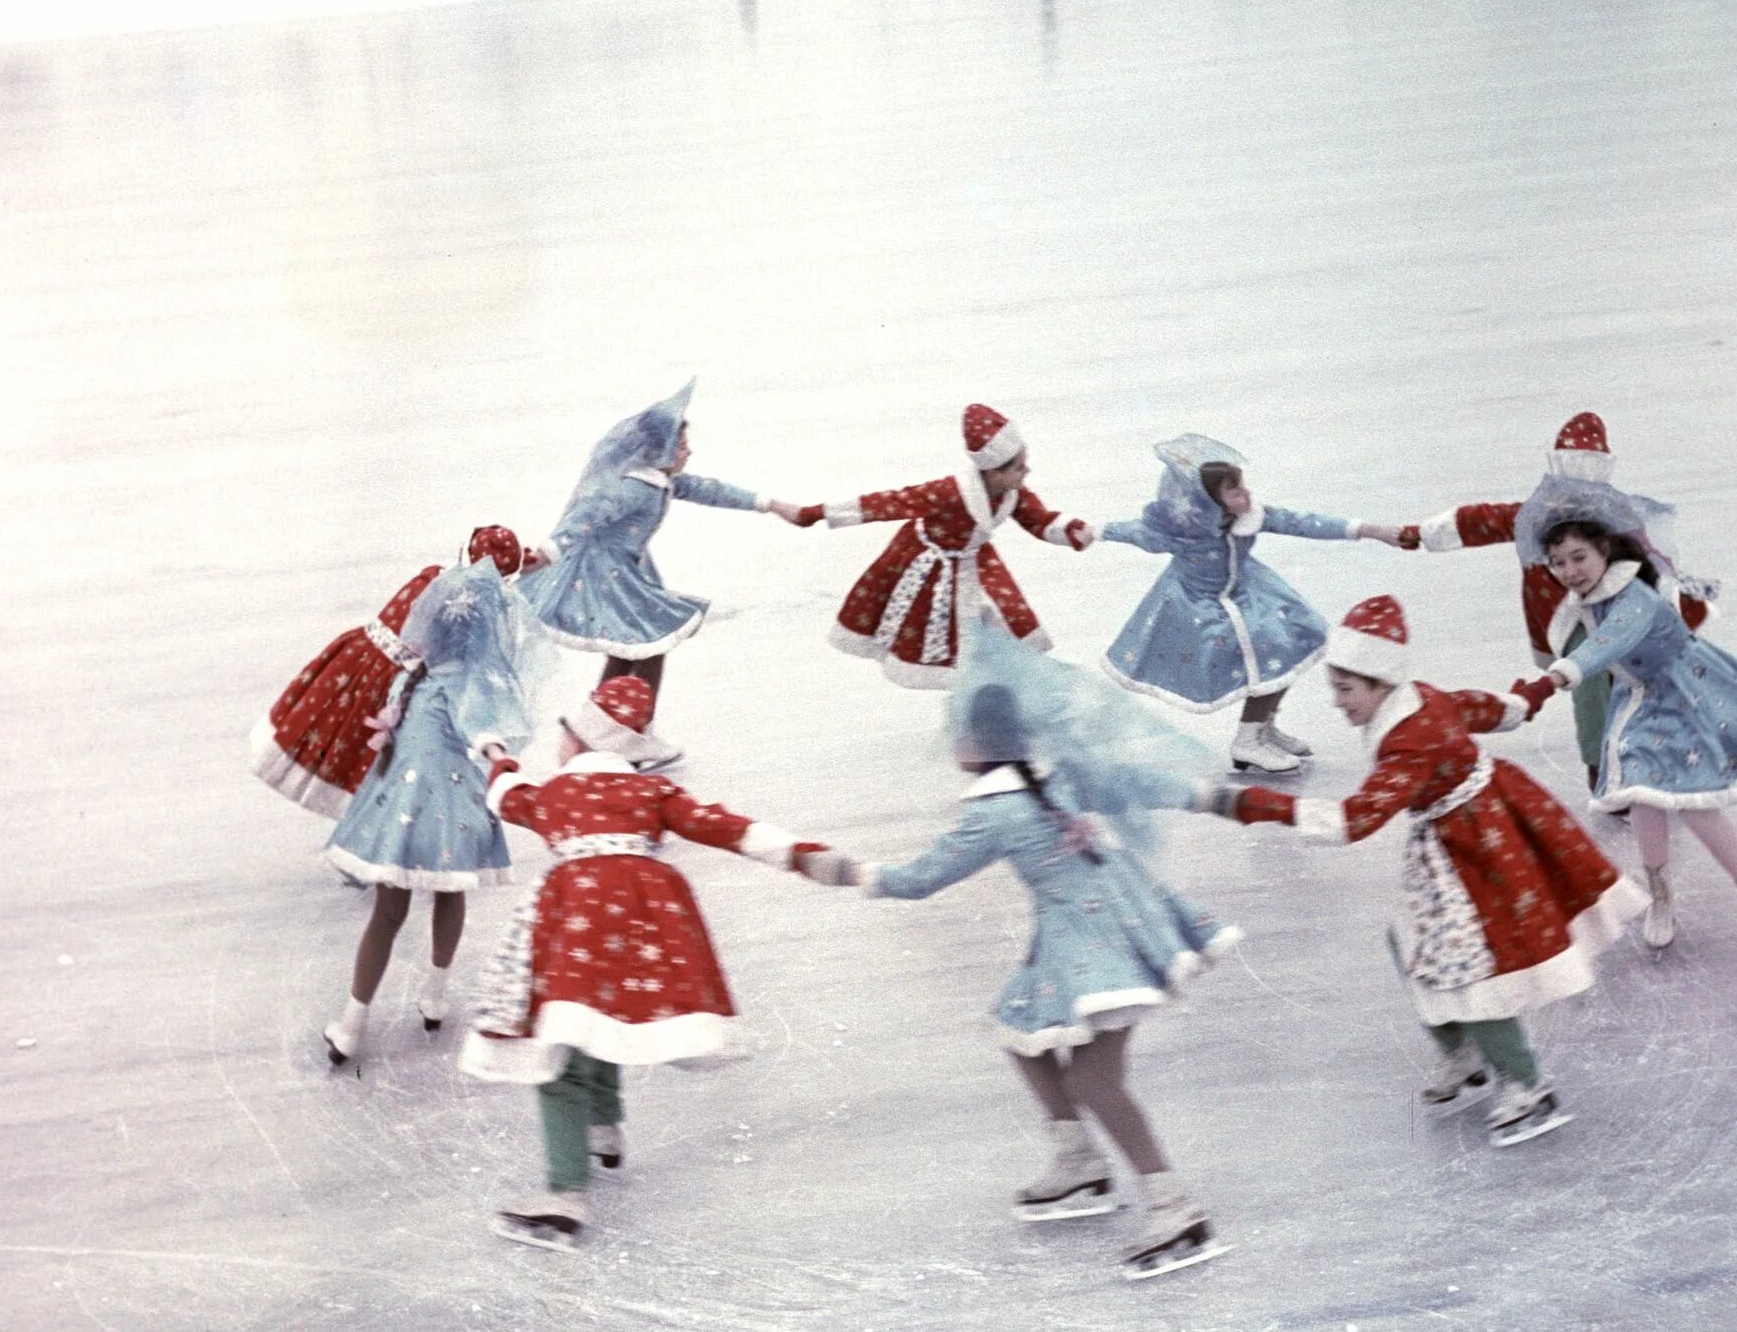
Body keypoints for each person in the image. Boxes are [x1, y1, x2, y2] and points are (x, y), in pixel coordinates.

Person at [797, 623, 1251, 1280]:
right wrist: (1220, 799)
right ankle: (1080, 1159)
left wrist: (849, 872)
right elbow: (1139, 783)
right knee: (1020, 1028)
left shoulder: (998, 811)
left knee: (1096, 1079)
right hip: (1123, 922)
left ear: (972, 745)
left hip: (1098, 948)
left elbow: (924, 877)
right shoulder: (1059, 773)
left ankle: (1172, 1203)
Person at [1214, 595, 1646, 1148]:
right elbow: (1486, 708)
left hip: (1478, 848)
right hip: (1456, 837)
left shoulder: (1409, 737)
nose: (1338, 703)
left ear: (1380, 684)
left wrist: (1248, 804)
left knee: (1472, 969)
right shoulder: (1418, 701)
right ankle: (1463, 1054)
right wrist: (1527, 696)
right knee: (1412, 942)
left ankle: (1528, 1085)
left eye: (1346, 690)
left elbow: (1354, 820)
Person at [459, 676, 834, 1252]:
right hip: (643, 918)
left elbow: (507, 792)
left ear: (580, 741)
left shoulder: (556, 794)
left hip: (577, 918)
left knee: (560, 1049)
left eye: (565, 733)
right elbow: (726, 826)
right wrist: (802, 855)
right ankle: (605, 1126)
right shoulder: (651, 792)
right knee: (603, 1019)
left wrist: (492, 751)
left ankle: (565, 1198)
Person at [1519, 519, 1737, 956]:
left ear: (1604, 551)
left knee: (1694, 799)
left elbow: (1607, 645)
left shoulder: (1635, 598)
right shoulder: (1588, 599)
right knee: (1643, 794)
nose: (1569, 571)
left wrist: (1547, 684)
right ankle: (1660, 891)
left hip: (1687, 694)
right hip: (1639, 702)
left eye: (1579, 558)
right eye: (1558, 562)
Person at [1397, 413, 1715, 802]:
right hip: (1569, 622)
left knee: (1638, 684)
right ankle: (1604, 773)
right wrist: (1421, 532)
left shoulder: (1618, 516)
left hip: (1617, 613)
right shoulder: (1534, 516)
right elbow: (1480, 520)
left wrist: (1671, 598)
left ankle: (1652, 757)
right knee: (1593, 687)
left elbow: (1651, 559)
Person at [319, 558, 551, 1064]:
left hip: (400, 814)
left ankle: (353, 1023)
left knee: (388, 912)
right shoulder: (474, 683)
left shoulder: (413, 681)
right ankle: (436, 993)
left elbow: (400, 741)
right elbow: (483, 730)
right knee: (449, 895)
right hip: (452, 813)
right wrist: (501, 761)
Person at [515, 381, 804, 764]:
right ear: (661, 450)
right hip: (606, 574)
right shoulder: (635, 488)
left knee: (631, 648)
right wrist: (547, 554)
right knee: (650, 645)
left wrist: (771, 504)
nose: (688, 452)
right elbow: (588, 514)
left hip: (626, 572)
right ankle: (628, 731)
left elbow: (709, 490)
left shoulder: (662, 481)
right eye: (682, 446)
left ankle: (601, 728)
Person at [1097, 434, 1404, 772]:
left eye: (1243, 486)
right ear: (1211, 502)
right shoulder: (1182, 531)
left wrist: (1371, 530)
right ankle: (1247, 740)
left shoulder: (1251, 516)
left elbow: (1302, 522)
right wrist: (1086, 530)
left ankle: (1262, 727)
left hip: (1249, 593)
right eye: (1235, 491)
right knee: (1268, 653)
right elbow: (1131, 531)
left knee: (1292, 641)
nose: (1247, 495)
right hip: (1200, 606)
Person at [795, 403, 1092, 689]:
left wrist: (1070, 531)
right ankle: (969, 692)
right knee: (941, 632)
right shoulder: (950, 492)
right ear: (993, 472)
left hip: (976, 560)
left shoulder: (1012, 493)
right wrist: (816, 512)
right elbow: (892, 502)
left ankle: (1007, 679)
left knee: (1009, 615)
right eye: (1017, 467)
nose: (1026, 471)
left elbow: (1037, 519)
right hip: (931, 565)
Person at [252, 525, 534, 820]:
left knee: (337, 728)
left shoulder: (435, 575)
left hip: (358, 654)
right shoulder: (472, 611)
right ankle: (367, 821)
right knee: (369, 749)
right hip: (393, 678)